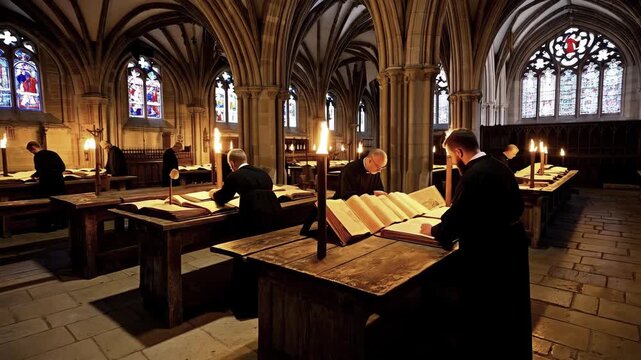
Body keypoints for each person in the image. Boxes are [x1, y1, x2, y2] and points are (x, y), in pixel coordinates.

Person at [419, 129, 532, 358]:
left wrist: (433, 229)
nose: (452, 161)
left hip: (489, 252)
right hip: (511, 245)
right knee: (509, 307)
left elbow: (456, 221)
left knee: (485, 308)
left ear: (459, 152)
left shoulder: (473, 175)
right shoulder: (498, 165)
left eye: (451, 156)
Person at [213, 149, 281, 233]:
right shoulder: (263, 173)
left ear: (232, 163)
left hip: (253, 219)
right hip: (274, 216)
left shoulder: (235, 175)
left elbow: (223, 197)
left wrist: (213, 194)